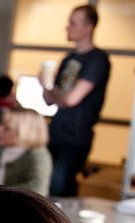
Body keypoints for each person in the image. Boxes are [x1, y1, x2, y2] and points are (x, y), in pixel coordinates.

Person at [43, 5, 110, 197]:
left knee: (59, 187)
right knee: (47, 188)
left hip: (75, 137)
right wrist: (46, 86)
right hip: (55, 132)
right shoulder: (68, 59)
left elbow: (71, 99)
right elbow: (49, 99)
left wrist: (52, 91)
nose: (67, 27)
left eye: (73, 23)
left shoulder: (97, 60)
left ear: (88, 27)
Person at [0, 108, 52, 196]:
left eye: (7, 128)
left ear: (25, 132)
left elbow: (37, 189)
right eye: (0, 125)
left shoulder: (38, 155)